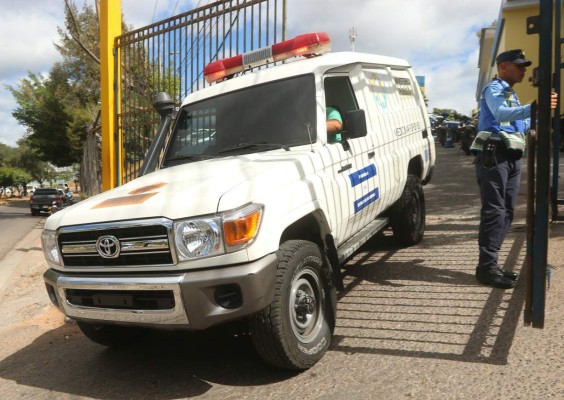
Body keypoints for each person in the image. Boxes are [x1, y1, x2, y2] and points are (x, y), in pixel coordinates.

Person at [470, 49, 558, 289]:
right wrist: (533, 107)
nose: (523, 70)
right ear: (503, 67)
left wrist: (539, 113)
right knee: (494, 211)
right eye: (519, 65)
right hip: (494, 154)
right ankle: (486, 268)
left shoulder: (511, 93)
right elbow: (500, 114)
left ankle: (492, 264)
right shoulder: (494, 89)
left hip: (510, 155)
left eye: (524, 66)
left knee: (507, 210)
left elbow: (520, 123)